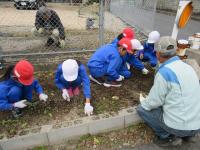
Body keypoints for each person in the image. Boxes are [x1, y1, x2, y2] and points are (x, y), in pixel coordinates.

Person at [137, 36, 200, 147]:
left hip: (178, 127)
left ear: (157, 54)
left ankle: (167, 137)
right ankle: (190, 135)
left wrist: (144, 102)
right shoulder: (189, 68)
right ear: (176, 51)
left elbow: (153, 102)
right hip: (196, 125)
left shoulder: (165, 73)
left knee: (142, 109)